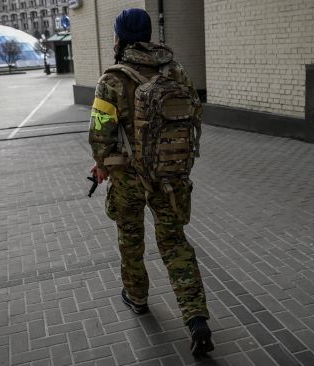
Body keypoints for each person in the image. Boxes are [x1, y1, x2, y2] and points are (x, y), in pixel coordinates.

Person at [88, 8, 213, 357]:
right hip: (170, 176)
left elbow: (100, 136)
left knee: (131, 240)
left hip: (129, 178)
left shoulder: (111, 80)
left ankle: (137, 297)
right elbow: (194, 117)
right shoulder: (176, 71)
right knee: (175, 244)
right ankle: (196, 318)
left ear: (120, 38)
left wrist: (105, 165)